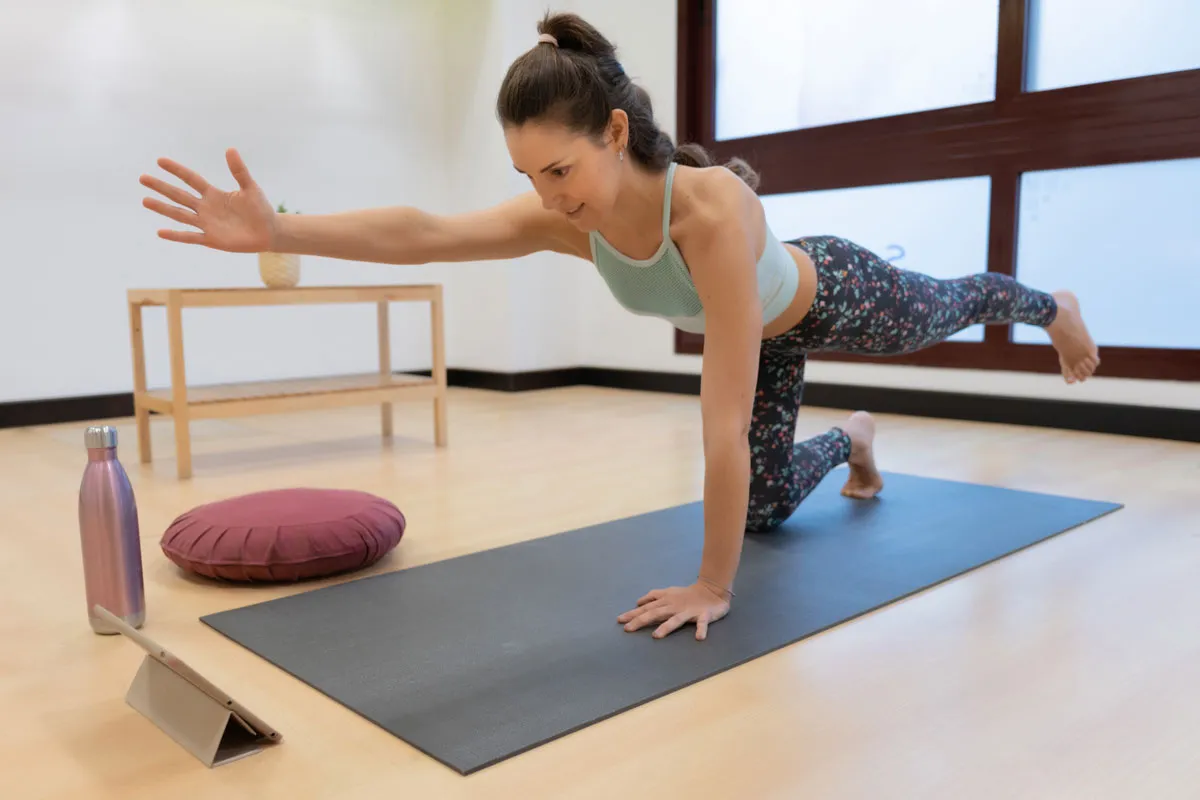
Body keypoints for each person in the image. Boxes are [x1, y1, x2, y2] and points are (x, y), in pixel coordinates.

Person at [139, 12, 1099, 642]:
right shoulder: (571, 222)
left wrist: (712, 587)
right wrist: (280, 227)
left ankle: (1050, 302)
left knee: (940, 311)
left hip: (827, 289)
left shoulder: (710, 211)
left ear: (609, 131)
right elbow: (426, 232)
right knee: (764, 510)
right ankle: (855, 438)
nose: (546, 199)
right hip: (760, 334)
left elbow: (716, 422)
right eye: (526, 178)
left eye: (557, 172)